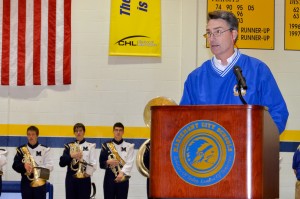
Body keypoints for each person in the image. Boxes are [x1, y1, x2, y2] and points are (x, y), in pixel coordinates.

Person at [180, 10, 289, 134]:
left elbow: (278, 113)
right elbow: (183, 120)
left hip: (248, 150)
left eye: (218, 32)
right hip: (210, 151)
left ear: (233, 34)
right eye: (209, 33)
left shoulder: (257, 70)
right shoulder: (195, 78)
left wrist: (258, 140)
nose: (212, 38)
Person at [12, 126, 53, 199]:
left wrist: (36, 171)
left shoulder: (45, 149)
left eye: (33, 134)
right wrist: (24, 166)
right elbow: (15, 165)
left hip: (40, 183)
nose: (31, 137)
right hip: (26, 184)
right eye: (29, 134)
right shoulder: (21, 149)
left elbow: (50, 167)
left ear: (37, 136)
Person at [59, 123, 97, 199]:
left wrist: (86, 173)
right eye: (76, 131)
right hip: (71, 179)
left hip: (84, 179)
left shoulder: (90, 146)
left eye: (80, 130)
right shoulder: (69, 146)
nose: (78, 133)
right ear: (74, 133)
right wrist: (71, 156)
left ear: (84, 132)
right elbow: (62, 163)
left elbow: (93, 164)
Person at [99, 122, 135, 199]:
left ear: (123, 132)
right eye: (116, 130)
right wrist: (107, 162)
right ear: (113, 131)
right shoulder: (106, 145)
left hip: (123, 178)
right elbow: (101, 164)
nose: (118, 132)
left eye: (120, 130)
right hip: (109, 178)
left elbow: (130, 162)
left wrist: (122, 173)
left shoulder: (129, 146)